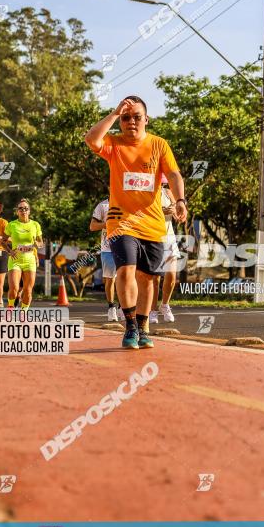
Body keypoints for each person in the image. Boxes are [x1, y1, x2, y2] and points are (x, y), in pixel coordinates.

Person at [84, 95, 187, 350]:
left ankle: (143, 328)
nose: (131, 122)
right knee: (125, 270)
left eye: (136, 117)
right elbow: (91, 140)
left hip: (152, 224)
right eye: (126, 117)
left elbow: (173, 174)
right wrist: (113, 114)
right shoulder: (114, 144)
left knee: (148, 278)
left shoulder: (159, 144)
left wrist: (180, 199)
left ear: (146, 120)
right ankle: (129, 326)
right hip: (121, 222)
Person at [149, 177, 180, 325]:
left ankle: (165, 305)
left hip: (169, 238)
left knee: (172, 275)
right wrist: (161, 212)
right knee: (155, 278)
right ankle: (152, 310)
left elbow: (177, 214)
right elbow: (144, 213)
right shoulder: (147, 193)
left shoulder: (168, 192)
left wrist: (176, 212)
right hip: (153, 237)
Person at [3, 199, 43, 311]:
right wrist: (9, 251)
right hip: (15, 260)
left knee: (28, 290)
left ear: (29, 211)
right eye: (20, 208)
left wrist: (37, 244)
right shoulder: (12, 225)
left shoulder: (35, 225)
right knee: (14, 288)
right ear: (17, 211)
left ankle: (23, 312)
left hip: (30, 260)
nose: (23, 210)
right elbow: (3, 241)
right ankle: (10, 307)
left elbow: (41, 242)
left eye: (26, 208)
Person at [90, 198, 123, 322]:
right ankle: (111, 308)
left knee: (124, 278)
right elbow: (92, 226)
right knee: (110, 280)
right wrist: (107, 224)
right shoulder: (102, 205)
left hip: (125, 247)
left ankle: (122, 307)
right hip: (108, 248)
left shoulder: (126, 201)